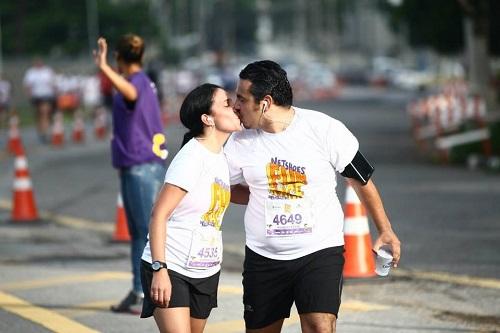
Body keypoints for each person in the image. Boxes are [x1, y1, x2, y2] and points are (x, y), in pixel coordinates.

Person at [224, 60, 401, 333]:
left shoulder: (324, 129)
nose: (235, 106)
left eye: (241, 98)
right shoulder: (239, 142)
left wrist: (385, 230)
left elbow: (361, 180)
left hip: (319, 252)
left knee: (321, 326)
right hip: (264, 257)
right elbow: (224, 186)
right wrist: (264, 194)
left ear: (265, 102)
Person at [140, 83, 241, 332]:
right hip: (172, 266)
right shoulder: (192, 157)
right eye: (227, 103)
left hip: (206, 270)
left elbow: (231, 193)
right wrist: (159, 269)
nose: (235, 107)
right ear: (207, 118)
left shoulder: (221, 157)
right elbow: (159, 214)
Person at [93, 34, 167, 314]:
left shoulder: (136, 83)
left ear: (119, 59)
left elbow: (130, 93)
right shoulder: (145, 80)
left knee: (145, 234)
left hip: (140, 165)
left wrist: (103, 68)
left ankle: (147, 291)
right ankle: (139, 290)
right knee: (139, 233)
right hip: (141, 164)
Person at [22, 58, 57, 143]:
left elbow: (53, 83)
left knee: (44, 112)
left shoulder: (47, 71)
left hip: (47, 95)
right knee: (39, 115)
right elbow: (27, 85)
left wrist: (55, 92)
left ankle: (45, 132)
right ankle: (41, 132)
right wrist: (29, 95)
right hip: (36, 96)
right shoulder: (31, 72)